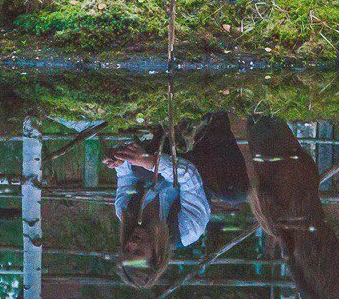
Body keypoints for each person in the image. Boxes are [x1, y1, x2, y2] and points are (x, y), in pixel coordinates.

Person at [104, 112, 249, 288]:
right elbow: (190, 177)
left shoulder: (125, 212)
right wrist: (149, 162)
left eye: (127, 249)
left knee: (139, 171)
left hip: (161, 153)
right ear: (156, 255)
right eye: (138, 251)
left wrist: (119, 161)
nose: (132, 243)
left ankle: (164, 122)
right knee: (234, 192)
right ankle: (212, 117)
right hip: (201, 160)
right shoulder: (187, 230)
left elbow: (126, 176)